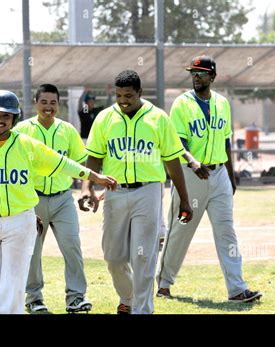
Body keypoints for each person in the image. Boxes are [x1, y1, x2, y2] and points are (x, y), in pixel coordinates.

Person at [0, 82, 117, 314]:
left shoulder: (26, 144)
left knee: (13, 283)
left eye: (7, 115)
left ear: (15, 118)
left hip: (20, 222)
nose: (0, 119)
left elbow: (62, 163)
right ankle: (10, 309)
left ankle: (12, 310)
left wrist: (94, 176)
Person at [78, 70, 193, 314]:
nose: (123, 100)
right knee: (114, 257)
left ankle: (143, 309)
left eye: (128, 95)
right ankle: (128, 298)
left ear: (140, 93)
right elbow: (94, 158)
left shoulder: (158, 118)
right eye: (119, 95)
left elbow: (173, 161)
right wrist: (87, 187)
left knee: (143, 256)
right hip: (115, 191)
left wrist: (184, 198)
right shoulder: (105, 118)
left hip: (148, 191)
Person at [156, 56, 262, 303]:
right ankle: (163, 284)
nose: (196, 76)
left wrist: (231, 174)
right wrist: (193, 162)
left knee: (227, 231)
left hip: (220, 176)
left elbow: (226, 142)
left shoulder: (223, 103)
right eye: (193, 72)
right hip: (190, 177)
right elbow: (178, 144)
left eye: (202, 72)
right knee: (180, 230)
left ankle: (237, 289)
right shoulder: (182, 104)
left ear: (212, 77)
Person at [14, 84, 92, 314]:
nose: (48, 107)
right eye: (44, 102)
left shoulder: (67, 130)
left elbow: (82, 162)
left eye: (53, 103)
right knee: (33, 251)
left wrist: (86, 188)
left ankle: (76, 298)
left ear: (59, 104)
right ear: (35, 103)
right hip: (33, 200)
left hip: (63, 198)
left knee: (72, 247)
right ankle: (34, 298)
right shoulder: (22, 130)